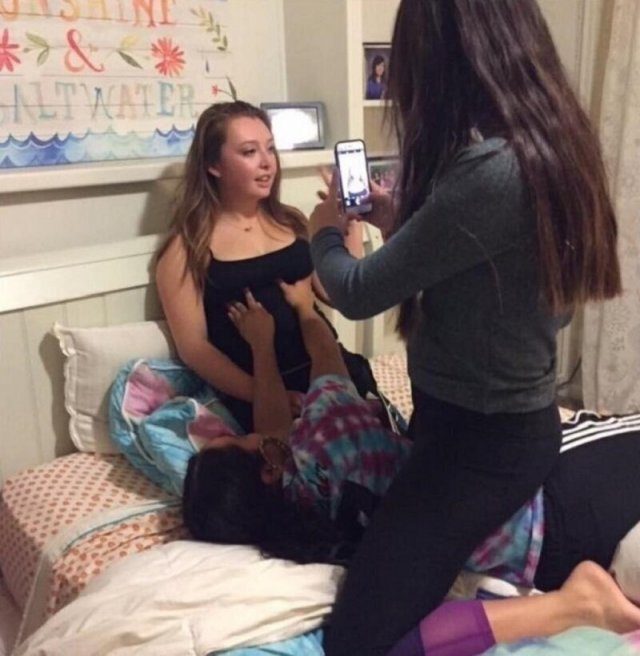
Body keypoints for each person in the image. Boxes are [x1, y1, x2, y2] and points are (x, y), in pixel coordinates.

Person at [308, 1, 623, 654]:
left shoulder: (492, 170)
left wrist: (322, 236)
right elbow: (492, 272)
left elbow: (357, 292)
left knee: (354, 642)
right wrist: (405, 222)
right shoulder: (547, 145)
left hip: (480, 443)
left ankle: (573, 604)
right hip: (489, 426)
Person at [182, 279, 640, 656]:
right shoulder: (329, 431)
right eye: (239, 440)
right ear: (267, 466)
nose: (249, 433)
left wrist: (262, 349)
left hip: (541, 560)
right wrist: (304, 309)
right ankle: (581, 604)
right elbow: (325, 356)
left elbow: (273, 433)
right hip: (547, 494)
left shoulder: (310, 546)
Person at [154, 101, 370, 433]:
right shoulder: (187, 247)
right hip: (259, 392)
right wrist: (265, 393)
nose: (267, 162)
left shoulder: (292, 222)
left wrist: (348, 221)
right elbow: (194, 349)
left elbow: (338, 293)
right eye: (249, 152)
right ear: (213, 165)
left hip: (329, 368)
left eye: (270, 148)